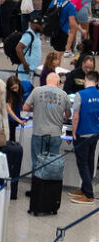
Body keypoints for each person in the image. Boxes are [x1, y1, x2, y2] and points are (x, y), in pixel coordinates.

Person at [24, 72, 70, 171]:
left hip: (39, 133)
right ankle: (49, 186)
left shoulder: (37, 91)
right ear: (58, 83)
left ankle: (37, 186)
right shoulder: (64, 94)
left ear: (46, 81)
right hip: (55, 134)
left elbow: (25, 107)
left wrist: (36, 109)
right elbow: (68, 114)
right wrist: (63, 116)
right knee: (52, 164)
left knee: (37, 164)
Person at [68, 71, 99, 204]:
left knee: (83, 164)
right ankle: (84, 188)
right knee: (90, 161)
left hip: (83, 133)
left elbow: (75, 117)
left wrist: (74, 132)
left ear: (86, 79)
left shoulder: (80, 95)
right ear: (97, 82)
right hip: (95, 133)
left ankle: (88, 195)